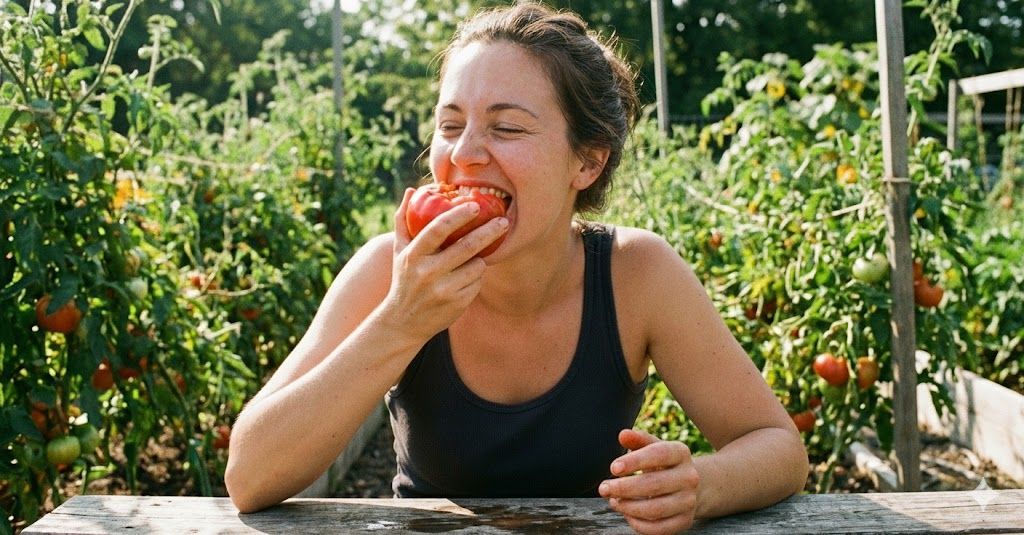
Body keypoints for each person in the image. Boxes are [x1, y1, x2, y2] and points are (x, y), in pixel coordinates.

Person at [225, 3, 809, 533]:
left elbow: (778, 447)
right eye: (450, 125)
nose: (463, 154)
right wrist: (401, 321)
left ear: (587, 161)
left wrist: (698, 486)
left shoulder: (638, 273)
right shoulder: (390, 267)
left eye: (506, 127)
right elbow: (250, 477)